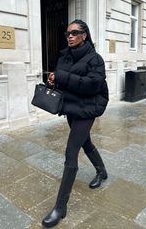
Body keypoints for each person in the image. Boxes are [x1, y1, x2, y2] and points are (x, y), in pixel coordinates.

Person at [42, 19, 109, 228]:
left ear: (84, 35)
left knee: (71, 152)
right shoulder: (64, 56)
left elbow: (91, 85)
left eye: (74, 32)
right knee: (85, 143)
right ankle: (102, 171)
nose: (70, 36)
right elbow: (63, 81)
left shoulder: (95, 59)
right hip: (71, 107)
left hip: (88, 108)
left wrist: (61, 76)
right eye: (67, 33)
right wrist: (53, 80)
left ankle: (60, 207)